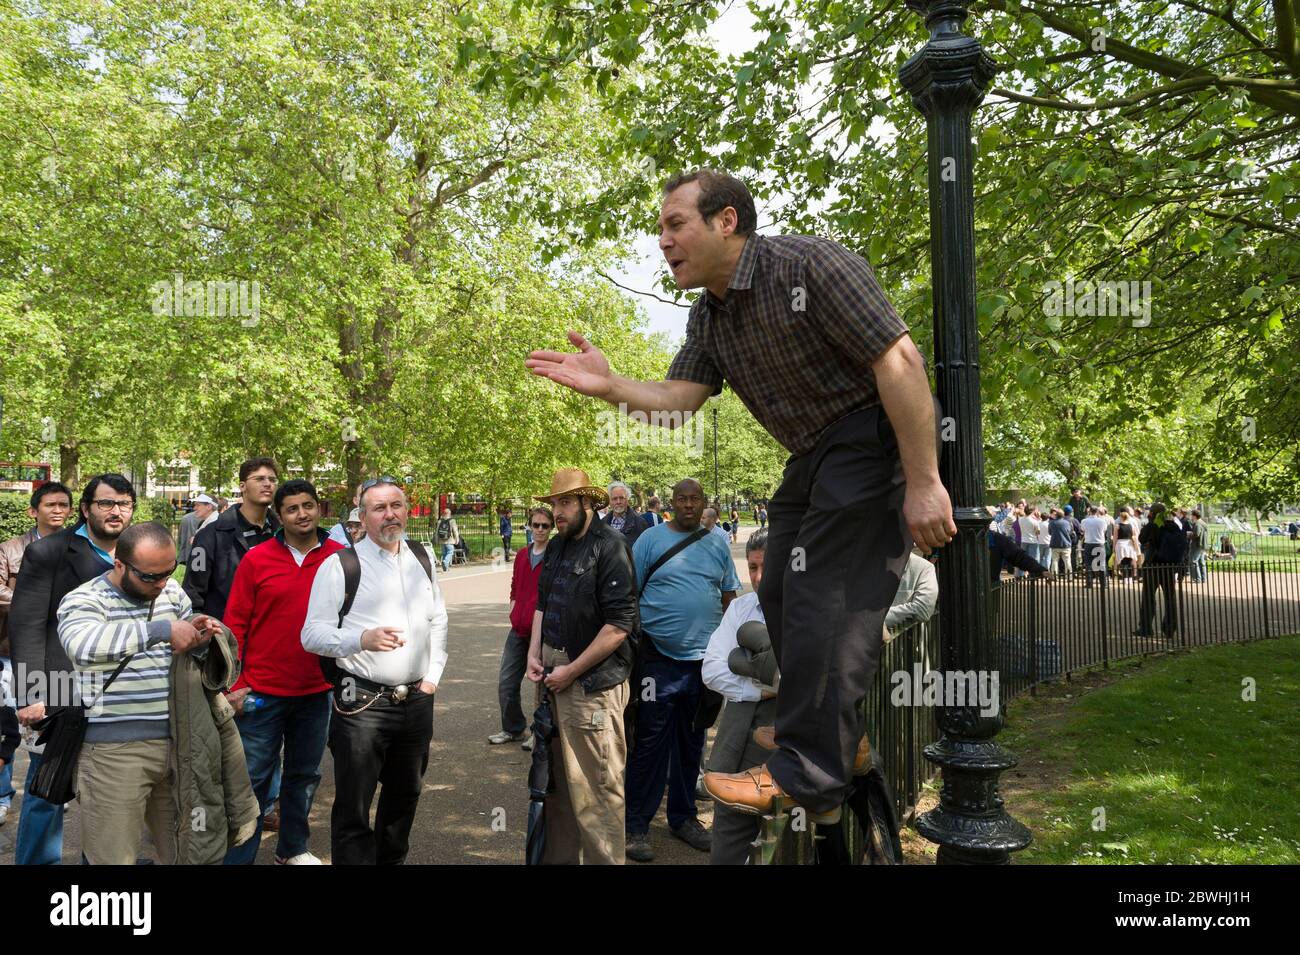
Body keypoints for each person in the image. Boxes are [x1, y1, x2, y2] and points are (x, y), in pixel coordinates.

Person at [528, 168, 954, 823]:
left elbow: (899, 361)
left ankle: (809, 776)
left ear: (727, 221)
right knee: (778, 585)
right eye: (660, 229)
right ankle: (842, 743)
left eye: (676, 224)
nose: (663, 241)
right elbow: (676, 405)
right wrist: (611, 386)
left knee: (823, 599)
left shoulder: (809, 265)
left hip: (873, 437)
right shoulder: (710, 316)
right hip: (812, 455)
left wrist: (924, 480)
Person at [56, 521, 238, 864]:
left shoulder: (173, 594)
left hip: (180, 745)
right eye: (150, 577)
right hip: (112, 752)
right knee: (112, 858)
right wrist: (160, 629)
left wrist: (199, 638)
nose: (161, 584)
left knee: (187, 852)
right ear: (120, 565)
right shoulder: (84, 599)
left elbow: (181, 654)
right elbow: (82, 646)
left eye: (168, 572)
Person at [301, 477, 448, 864]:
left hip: (416, 701)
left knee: (405, 797)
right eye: (378, 508)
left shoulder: (422, 556)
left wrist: (432, 676)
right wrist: (360, 640)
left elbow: (438, 619)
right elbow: (311, 635)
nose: (389, 515)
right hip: (361, 703)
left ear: (406, 509)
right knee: (354, 805)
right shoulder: (341, 565)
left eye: (396, 505)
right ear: (362, 516)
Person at [9, 474, 134, 864]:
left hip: (122, 689)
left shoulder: (137, 550)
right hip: (62, 688)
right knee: (48, 788)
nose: (116, 511)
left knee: (116, 792)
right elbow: (27, 623)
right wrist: (31, 695)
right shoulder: (50, 551)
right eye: (106, 503)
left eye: (125, 503)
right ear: (86, 508)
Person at [221, 480, 343, 865]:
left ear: (319, 509)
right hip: (261, 691)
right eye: (292, 508)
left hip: (317, 690)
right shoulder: (257, 559)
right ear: (279, 515)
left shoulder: (341, 558)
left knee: (305, 777)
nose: (302, 514)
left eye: (308, 505)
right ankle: (239, 857)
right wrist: (235, 684)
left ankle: (292, 849)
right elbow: (234, 625)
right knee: (252, 781)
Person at [526, 469, 638, 864]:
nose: (557, 511)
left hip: (590, 681)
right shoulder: (556, 546)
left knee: (596, 791)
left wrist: (570, 671)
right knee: (556, 788)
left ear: (587, 502)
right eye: (554, 503)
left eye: (566, 502)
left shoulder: (611, 546)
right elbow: (542, 604)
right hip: (552, 672)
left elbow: (618, 627)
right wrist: (533, 654)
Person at [625, 479, 740, 861]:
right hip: (656, 660)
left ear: (704, 503)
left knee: (692, 743)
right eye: (681, 499)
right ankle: (636, 825)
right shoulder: (649, 541)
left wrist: (728, 651)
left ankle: (683, 817)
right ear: (672, 503)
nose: (689, 505)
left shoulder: (717, 545)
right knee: (649, 742)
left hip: (702, 665)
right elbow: (629, 596)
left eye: (695, 499)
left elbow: (729, 600)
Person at [700, 528, 773, 864]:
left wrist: (747, 665)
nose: (757, 577)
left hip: (792, 745)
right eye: (752, 568)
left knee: (790, 835)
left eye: (765, 567)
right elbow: (712, 670)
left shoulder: (811, 610)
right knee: (729, 835)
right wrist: (764, 688)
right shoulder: (741, 608)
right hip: (738, 740)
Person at [184, 457, 281, 623]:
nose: (267, 484)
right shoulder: (210, 535)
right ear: (242, 486)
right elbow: (193, 592)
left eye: (272, 479)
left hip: (273, 633)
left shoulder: (282, 534)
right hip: (226, 634)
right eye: (259, 479)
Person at [489, 506, 552, 746]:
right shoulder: (523, 554)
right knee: (506, 681)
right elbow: (516, 584)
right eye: (535, 525)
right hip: (519, 628)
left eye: (545, 526)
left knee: (543, 687)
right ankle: (513, 728)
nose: (539, 530)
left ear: (550, 529)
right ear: (529, 526)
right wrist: (514, 605)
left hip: (544, 631)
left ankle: (540, 732)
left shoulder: (555, 555)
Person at [1135, 502, 1186, 639]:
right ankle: (1170, 628)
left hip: (1153, 565)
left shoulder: (1152, 526)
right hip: (1168, 567)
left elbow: (1141, 538)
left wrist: (1150, 523)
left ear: (1152, 513)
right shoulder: (1172, 525)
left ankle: (1145, 627)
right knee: (1170, 598)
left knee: (1148, 597)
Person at [885, 548, 939, 635]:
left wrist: (878, 619)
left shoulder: (924, 568)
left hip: (906, 641)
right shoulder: (865, 564)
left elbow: (923, 609)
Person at [178, 493, 218, 565]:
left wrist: (197, 540)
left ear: (209, 506)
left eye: (198, 505)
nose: (194, 508)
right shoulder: (209, 522)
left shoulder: (214, 524)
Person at [1080, 506, 1109, 589]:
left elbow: (1083, 530)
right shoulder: (1102, 521)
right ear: (1097, 512)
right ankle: (1104, 584)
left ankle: (1089, 583)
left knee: (1088, 564)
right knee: (1101, 564)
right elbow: (1104, 530)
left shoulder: (1084, 521)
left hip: (1089, 543)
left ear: (1089, 511)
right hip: (1099, 543)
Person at [1113, 508, 1140, 581]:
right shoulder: (1132, 526)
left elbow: (1115, 537)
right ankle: (1132, 576)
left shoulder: (1117, 526)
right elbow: (1135, 535)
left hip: (1120, 544)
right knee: (1131, 560)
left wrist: (1113, 547)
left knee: (1120, 561)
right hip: (1130, 544)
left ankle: (1122, 576)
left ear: (1121, 517)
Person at [1047, 507, 1074, 578]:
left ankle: (1055, 576)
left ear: (1056, 515)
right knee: (1067, 561)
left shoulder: (1051, 523)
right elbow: (1070, 532)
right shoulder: (1067, 523)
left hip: (1055, 544)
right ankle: (1069, 577)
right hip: (1066, 544)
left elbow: (1049, 532)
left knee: (1055, 561)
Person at [435, 507, 460, 572]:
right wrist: (457, 539)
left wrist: (436, 540)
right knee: (450, 552)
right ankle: (445, 562)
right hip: (449, 540)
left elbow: (437, 531)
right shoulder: (452, 521)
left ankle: (446, 568)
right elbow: (455, 531)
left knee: (444, 553)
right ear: (449, 513)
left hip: (442, 540)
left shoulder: (440, 521)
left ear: (443, 513)